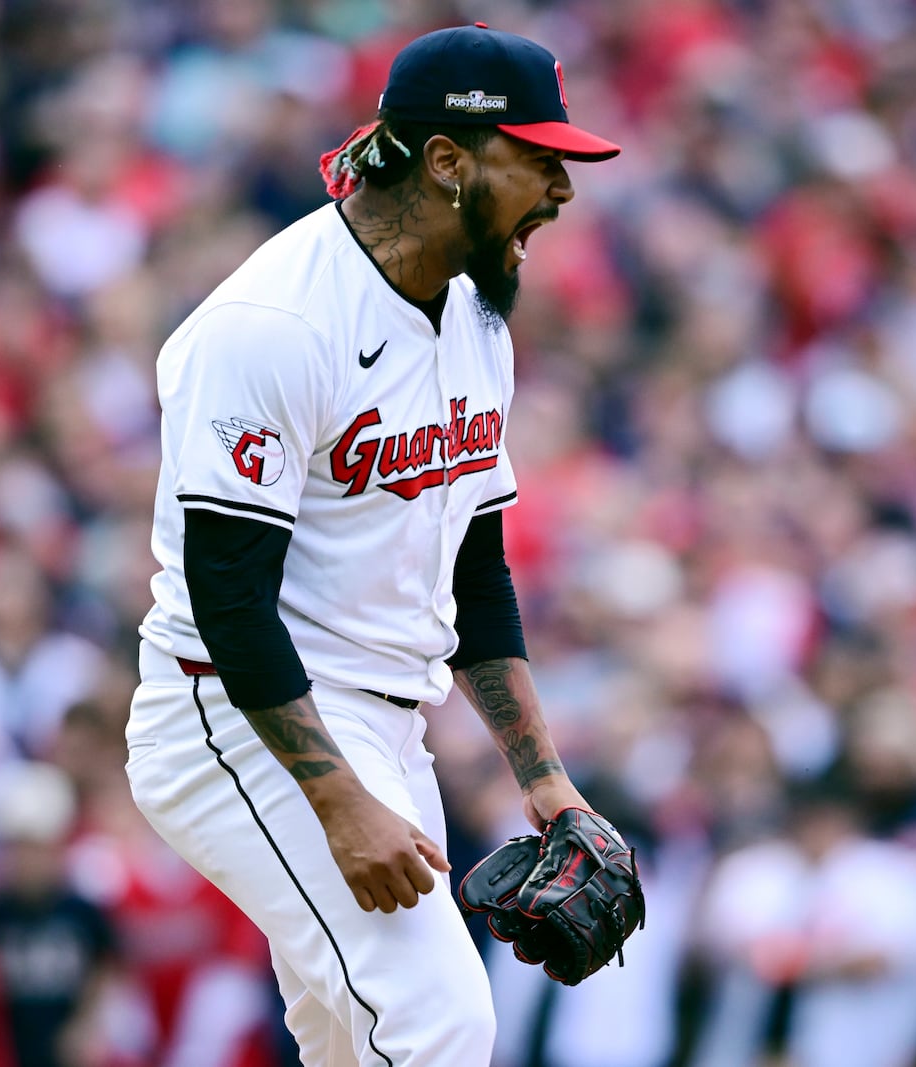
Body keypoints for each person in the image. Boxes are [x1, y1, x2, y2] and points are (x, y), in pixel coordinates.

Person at [124, 22, 621, 1067]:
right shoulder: (273, 321)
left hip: (387, 720)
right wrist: (340, 800)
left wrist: (544, 778)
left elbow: (475, 571)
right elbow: (228, 595)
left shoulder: (478, 313)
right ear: (446, 161)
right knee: (440, 1017)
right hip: (238, 719)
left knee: (354, 1037)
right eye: (537, 158)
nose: (562, 189)